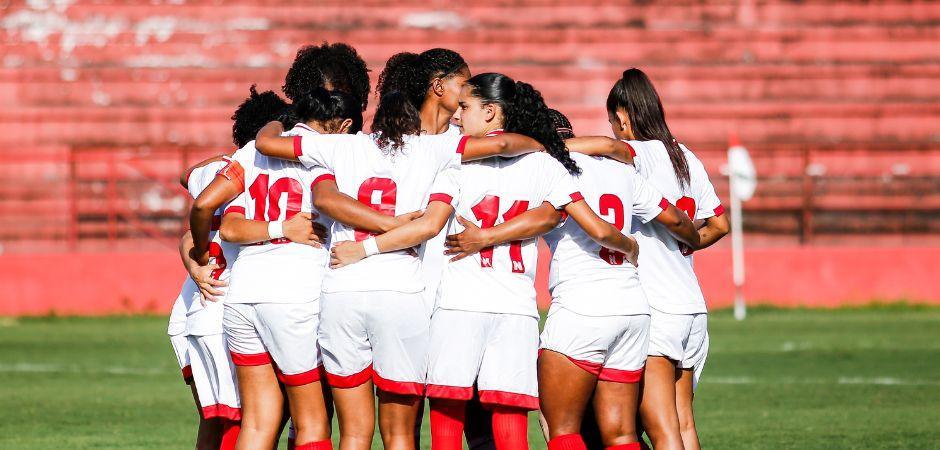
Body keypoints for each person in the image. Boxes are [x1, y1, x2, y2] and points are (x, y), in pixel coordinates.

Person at [327, 73, 640, 450]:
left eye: (465, 107)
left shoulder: (456, 163)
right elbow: (560, 217)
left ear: (491, 112)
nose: (458, 117)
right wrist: (630, 246)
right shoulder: (543, 163)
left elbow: (429, 225)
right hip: (515, 307)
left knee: (446, 419)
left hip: (459, 302)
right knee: (510, 425)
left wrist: (366, 249)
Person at [253, 64, 548, 450]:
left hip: (343, 287)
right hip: (400, 291)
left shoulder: (344, 144)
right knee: (399, 436)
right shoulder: (431, 148)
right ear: (413, 123)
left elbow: (266, 145)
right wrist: (545, 146)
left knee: (355, 433)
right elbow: (502, 144)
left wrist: (275, 121)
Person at [538, 109, 699, 450]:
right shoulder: (617, 170)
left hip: (582, 307)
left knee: (562, 430)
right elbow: (677, 219)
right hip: (632, 309)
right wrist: (694, 238)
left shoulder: (543, 167)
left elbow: (540, 219)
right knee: (622, 434)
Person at [594, 68, 731, 450]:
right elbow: (719, 224)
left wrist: (553, 147)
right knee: (684, 421)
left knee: (661, 425)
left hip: (658, 306)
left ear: (622, 117)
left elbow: (609, 149)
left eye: (612, 122)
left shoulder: (637, 154)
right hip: (692, 306)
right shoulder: (683, 154)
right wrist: (685, 241)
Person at [170, 85, 292, 450]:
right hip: (227, 307)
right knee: (247, 420)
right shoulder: (261, 170)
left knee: (219, 420)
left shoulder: (218, 171)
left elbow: (187, 175)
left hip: (193, 309)